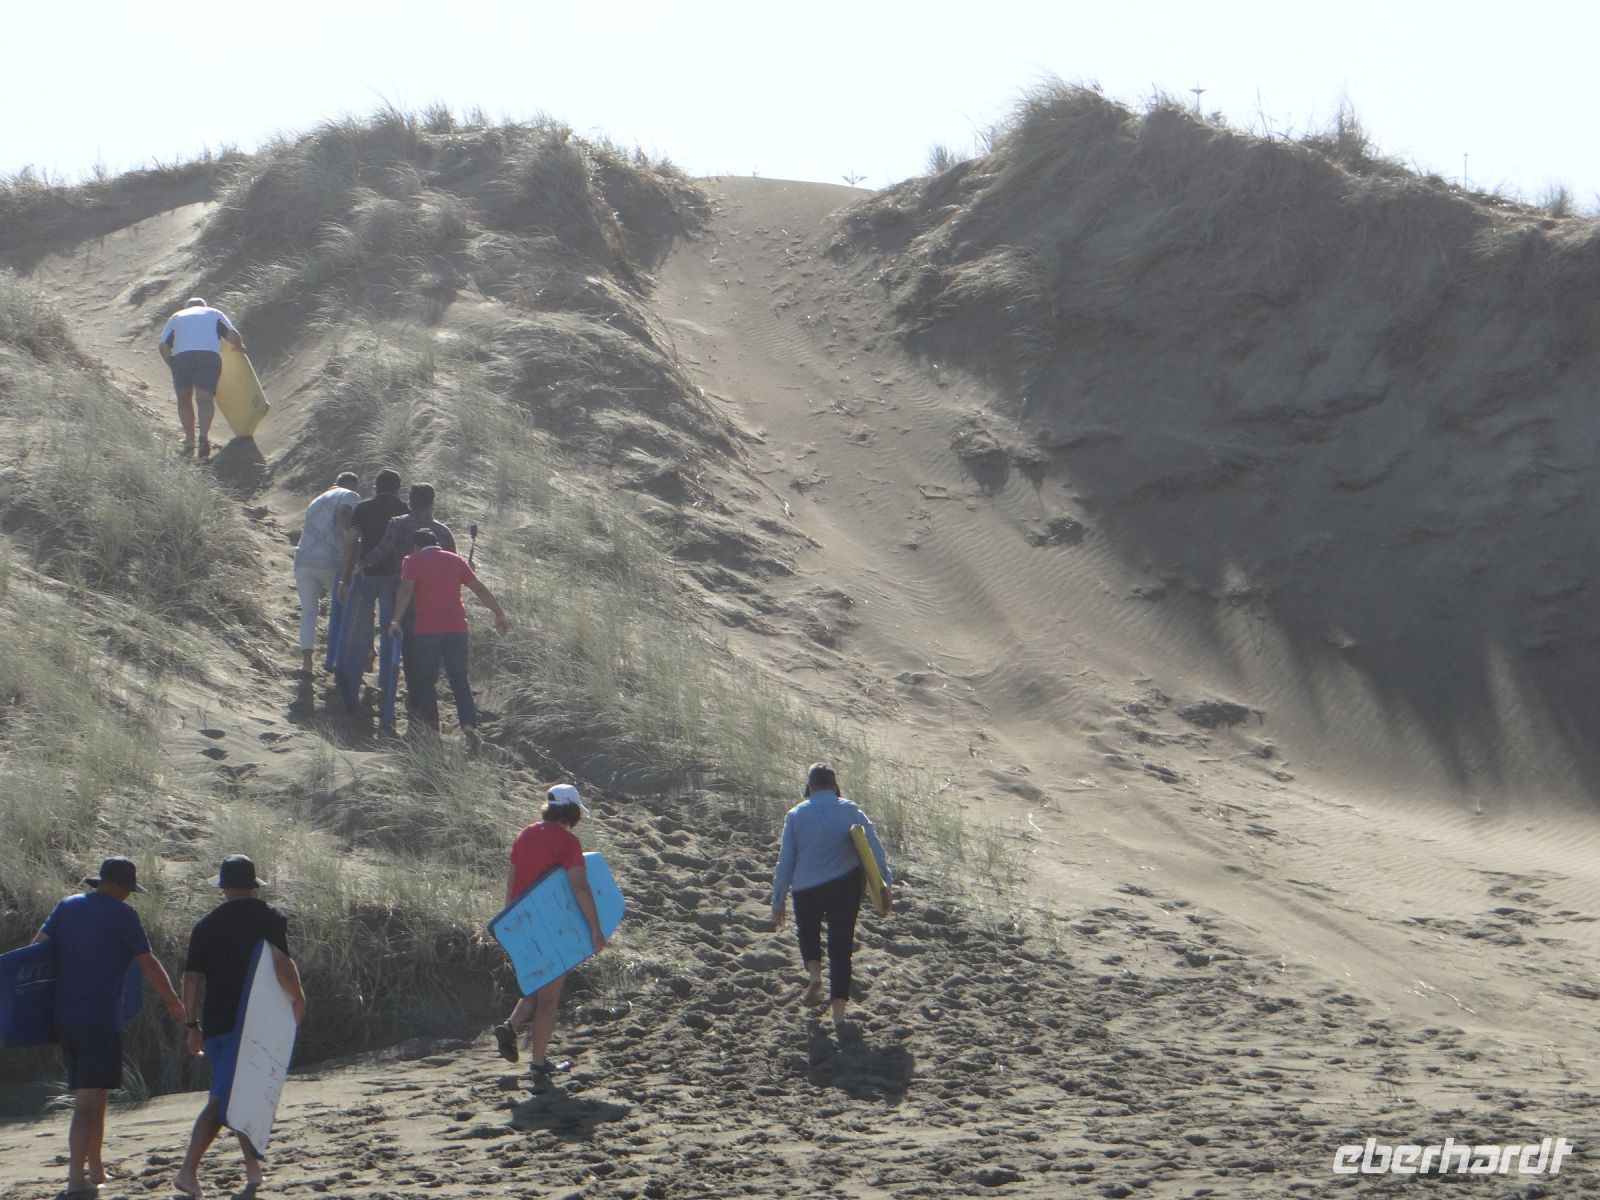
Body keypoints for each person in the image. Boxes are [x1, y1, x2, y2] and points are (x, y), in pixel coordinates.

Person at [31, 857, 187, 1199]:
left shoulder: (68, 905)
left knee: (97, 1092)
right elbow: (148, 963)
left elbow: (36, 948)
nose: (130, 894)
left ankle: (96, 1168)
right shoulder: (122, 914)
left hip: (65, 1018)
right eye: (129, 888)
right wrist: (173, 999)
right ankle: (76, 1178)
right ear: (119, 885)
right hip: (98, 1018)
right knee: (87, 1099)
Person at [174, 855, 306, 1200]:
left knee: (241, 1095)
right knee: (224, 1100)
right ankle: (187, 1171)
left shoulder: (205, 925)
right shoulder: (268, 917)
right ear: (252, 885)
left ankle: (253, 1171)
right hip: (253, 1023)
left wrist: (192, 1025)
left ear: (223, 887)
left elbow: (191, 979)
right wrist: (298, 998)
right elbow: (282, 965)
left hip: (217, 1024)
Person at [491, 786, 605, 1080]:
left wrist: (510, 922)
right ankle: (539, 1063)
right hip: (548, 925)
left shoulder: (525, 834)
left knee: (539, 983)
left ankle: (510, 1027)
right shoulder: (568, 842)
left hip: (521, 921)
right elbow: (580, 887)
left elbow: (512, 880)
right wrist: (595, 929)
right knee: (549, 999)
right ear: (573, 812)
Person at [769, 763, 893, 1025]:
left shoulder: (795, 815)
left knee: (808, 933)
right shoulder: (851, 810)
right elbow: (874, 849)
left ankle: (815, 975)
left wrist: (778, 899)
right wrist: (885, 885)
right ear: (835, 786)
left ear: (810, 787)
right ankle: (838, 1015)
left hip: (805, 887)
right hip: (844, 885)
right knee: (840, 948)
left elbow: (785, 861)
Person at [387, 526, 508, 745]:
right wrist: (498, 613)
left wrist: (395, 620)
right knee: (459, 678)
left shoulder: (412, 560)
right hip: (457, 628)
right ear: (437, 543)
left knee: (426, 680)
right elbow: (478, 588)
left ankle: (433, 728)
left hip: (427, 629)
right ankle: (468, 724)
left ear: (416, 546)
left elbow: (406, 590)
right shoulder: (456, 560)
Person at [334, 469, 409, 725]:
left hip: (365, 576)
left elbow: (351, 544)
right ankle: (387, 693)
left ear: (376, 487)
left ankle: (350, 693)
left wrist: (344, 578)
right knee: (390, 635)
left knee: (357, 634)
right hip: (394, 578)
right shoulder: (405, 509)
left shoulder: (363, 508)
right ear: (398, 488)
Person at [158, 297, 244, 461]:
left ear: (186, 307)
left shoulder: (176, 317)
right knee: (204, 398)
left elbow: (163, 346)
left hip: (182, 358)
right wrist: (240, 349)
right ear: (204, 306)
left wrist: (172, 364)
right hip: (209, 357)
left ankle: (189, 443)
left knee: (184, 399)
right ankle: (203, 436)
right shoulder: (214, 313)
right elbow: (233, 335)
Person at [293, 472, 360, 679]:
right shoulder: (349, 495)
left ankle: (307, 663)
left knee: (309, 612)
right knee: (347, 607)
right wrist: (353, 539)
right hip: (331, 559)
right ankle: (344, 659)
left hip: (303, 559)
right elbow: (345, 513)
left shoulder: (316, 500)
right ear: (351, 484)